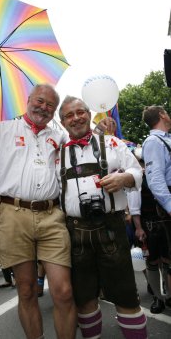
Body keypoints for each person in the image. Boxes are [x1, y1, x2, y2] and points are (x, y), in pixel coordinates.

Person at [0, 84, 113, 339]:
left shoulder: (59, 135)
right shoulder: (2, 130)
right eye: (40, 101)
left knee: (64, 291)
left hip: (52, 215)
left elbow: (83, 144)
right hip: (12, 214)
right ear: (29, 99)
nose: (43, 108)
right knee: (26, 290)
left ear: (54, 112)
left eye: (50, 106)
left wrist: (100, 129)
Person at [57, 96, 147, 339]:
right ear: (63, 122)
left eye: (80, 112)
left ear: (88, 114)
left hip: (111, 229)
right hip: (75, 233)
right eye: (69, 115)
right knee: (85, 299)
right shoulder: (57, 154)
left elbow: (136, 170)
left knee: (126, 295)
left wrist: (124, 179)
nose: (76, 118)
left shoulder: (113, 143)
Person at [142, 105, 171, 309]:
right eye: (166, 112)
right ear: (161, 115)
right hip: (164, 206)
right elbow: (155, 179)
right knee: (161, 257)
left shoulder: (165, 139)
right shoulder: (153, 141)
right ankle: (162, 299)